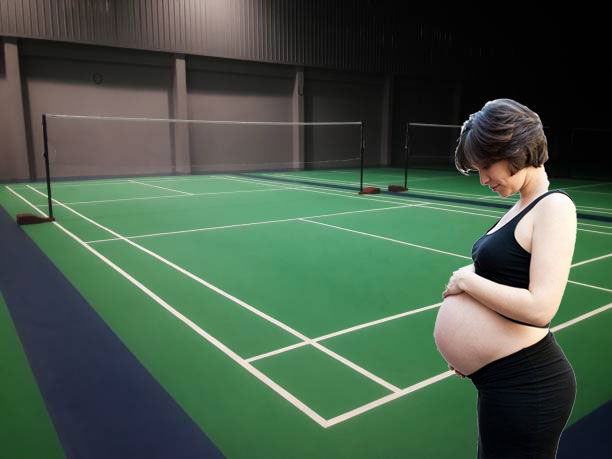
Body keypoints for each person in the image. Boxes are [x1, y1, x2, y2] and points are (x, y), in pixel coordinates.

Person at [433, 99, 577, 458]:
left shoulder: (554, 206)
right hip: (499, 383)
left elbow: (541, 308)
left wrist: (467, 282)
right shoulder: (519, 208)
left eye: (486, 167)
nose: (483, 180)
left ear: (514, 147)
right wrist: (472, 354)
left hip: (529, 386)